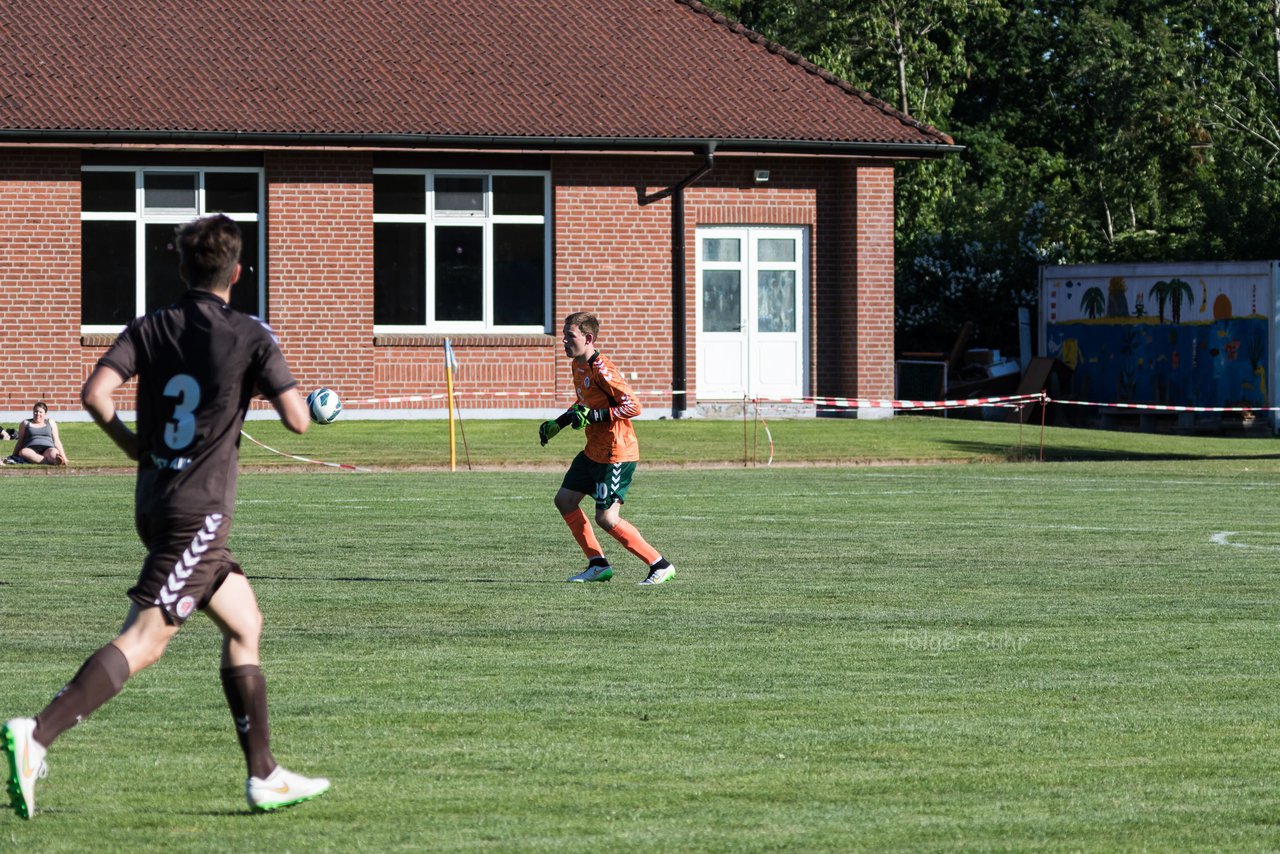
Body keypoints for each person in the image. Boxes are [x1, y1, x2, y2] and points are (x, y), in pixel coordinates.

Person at [2, 214, 329, 820]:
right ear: (237, 271)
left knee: (244, 623)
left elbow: (94, 394)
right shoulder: (250, 334)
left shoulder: (150, 326)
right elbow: (299, 422)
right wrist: (257, 380)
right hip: (198, 513)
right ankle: (36, 734)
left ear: (182, 268)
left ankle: (264, 774)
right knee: (146, 641)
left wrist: (133, 447)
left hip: (155, 501)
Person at [539, 311, 676, 585]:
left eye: (570, 336)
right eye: (564, 335)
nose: (564, 341)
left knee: (607, 518)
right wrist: (559, 424)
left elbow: (633, 406)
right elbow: (584, 405)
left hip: (616, 452)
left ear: (588, 338)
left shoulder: (603, 369)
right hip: (593, 450)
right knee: (564, 501)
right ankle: (598, 565)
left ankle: (660, 565)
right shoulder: (578, 366)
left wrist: (592, 417)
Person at [3, 401, 68, 465]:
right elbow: (20, 441)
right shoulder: (25, 423)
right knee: (23, 452)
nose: (38, 414)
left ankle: (53, 460)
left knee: (54, 452)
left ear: (45, 414)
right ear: (33, 412)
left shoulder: (51, 422)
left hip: (48, 448)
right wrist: (13, 455)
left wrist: (64, 457)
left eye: (40, 412)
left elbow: (56, 441)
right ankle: (48, 462)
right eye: (36, 411)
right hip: (31, 449)